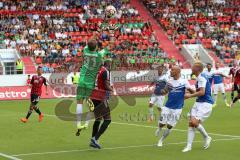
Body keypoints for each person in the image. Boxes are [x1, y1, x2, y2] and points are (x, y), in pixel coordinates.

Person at [75, 39, 108, 135]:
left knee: (79, 103)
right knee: (90, 105)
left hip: (81, 80)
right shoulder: (99, 55)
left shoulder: (85, 50)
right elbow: (107, 48)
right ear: (96, 47)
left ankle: (78, 124)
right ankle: (86, 123)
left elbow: (89, 44)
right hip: (90, 83)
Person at [155, 66, 193, 147]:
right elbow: (165, 91)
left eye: (172, 70)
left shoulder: (184, 82)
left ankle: (161, 140)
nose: (170, 71)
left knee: (169, 126)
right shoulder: (169, 81)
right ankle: (159, 128)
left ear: (177, 71)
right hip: (167, 106)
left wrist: (188, 95)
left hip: (178, 108)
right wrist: (161, 91)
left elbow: (193, 92)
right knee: (162, 123)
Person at [182, 62, 214, 152]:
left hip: (205, 104)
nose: (191, 67)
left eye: (193, 66)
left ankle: (207, 137)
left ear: (197, 69)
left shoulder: (201, 77)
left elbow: (202, 92)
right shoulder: (199, 77)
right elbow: (198, 91)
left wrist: (189, 96)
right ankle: (189, 146)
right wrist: (188, 93)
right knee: (191, 123)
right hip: (198, 103)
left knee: (194, 122)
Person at [89, 59, 113, 149]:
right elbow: (106, 85)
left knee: (98, 119)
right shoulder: (105, 72)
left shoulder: (97, 71)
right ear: (108, 64)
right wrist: (112, 90)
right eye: (111, 64)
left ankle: (93, 139)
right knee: (108, 119)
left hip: (93, 96)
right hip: (101, 97)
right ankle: (95, 139)